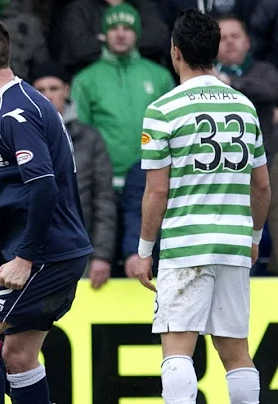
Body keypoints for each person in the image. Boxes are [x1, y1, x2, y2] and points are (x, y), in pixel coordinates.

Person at [0, 18, 94, 403]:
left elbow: (44, 185)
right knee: (19, 355)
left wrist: (26, 257)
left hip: (46, 254)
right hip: (55, 250)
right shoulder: (13, 104)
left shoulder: (17, 109)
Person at [134, 9, 270, 404]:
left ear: (175, 52)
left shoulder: (162, 110)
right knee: (236, 352)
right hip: (233, 243)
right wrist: (255, 236)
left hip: (185, 245)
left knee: (177, 349)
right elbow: (261, 186)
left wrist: (144, 251)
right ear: (215, 52)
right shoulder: (245, 107)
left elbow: (156, 192)